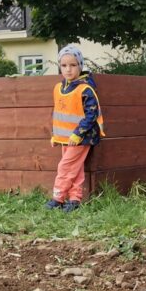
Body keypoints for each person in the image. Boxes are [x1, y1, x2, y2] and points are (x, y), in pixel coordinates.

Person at [46, 45, 104, 212]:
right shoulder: (58, 88)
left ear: (80, 65)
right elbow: (59, 113)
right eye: (64, 65)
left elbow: (91, 115)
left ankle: (58, 198)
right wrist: (55, 136)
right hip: (65, 138)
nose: (68, 69)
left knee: (65, 167)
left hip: (81, 137)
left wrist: (78, 134)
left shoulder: (85, 88)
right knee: (75, 169)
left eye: (73, 65)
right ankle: (75, 199)